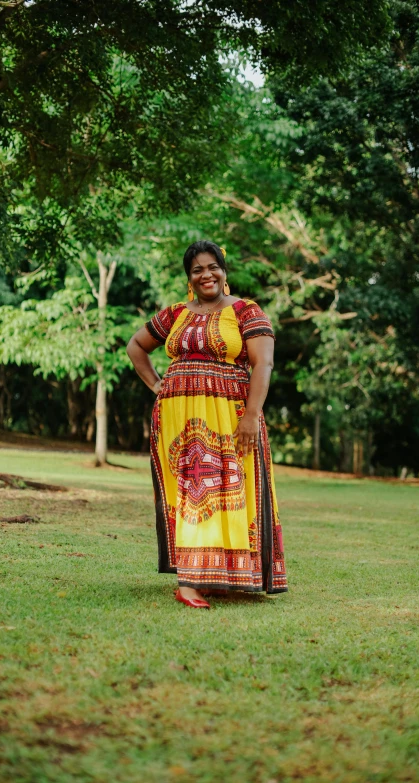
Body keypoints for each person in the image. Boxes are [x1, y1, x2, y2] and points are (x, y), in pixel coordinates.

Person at [127, 240, 288, 609]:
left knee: (230, 491)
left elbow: (263, 364)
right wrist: (158, 385)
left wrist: (251, 415)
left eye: (212, 266)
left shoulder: (246, 311)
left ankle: (223, 576)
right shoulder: (175, 314)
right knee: (191, 494)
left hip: (231, 417)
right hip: (178, 421)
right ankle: (189, 581)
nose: (206, 274)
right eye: (197, 269)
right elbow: (136, 346)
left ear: (223, 271)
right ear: (189, 277)